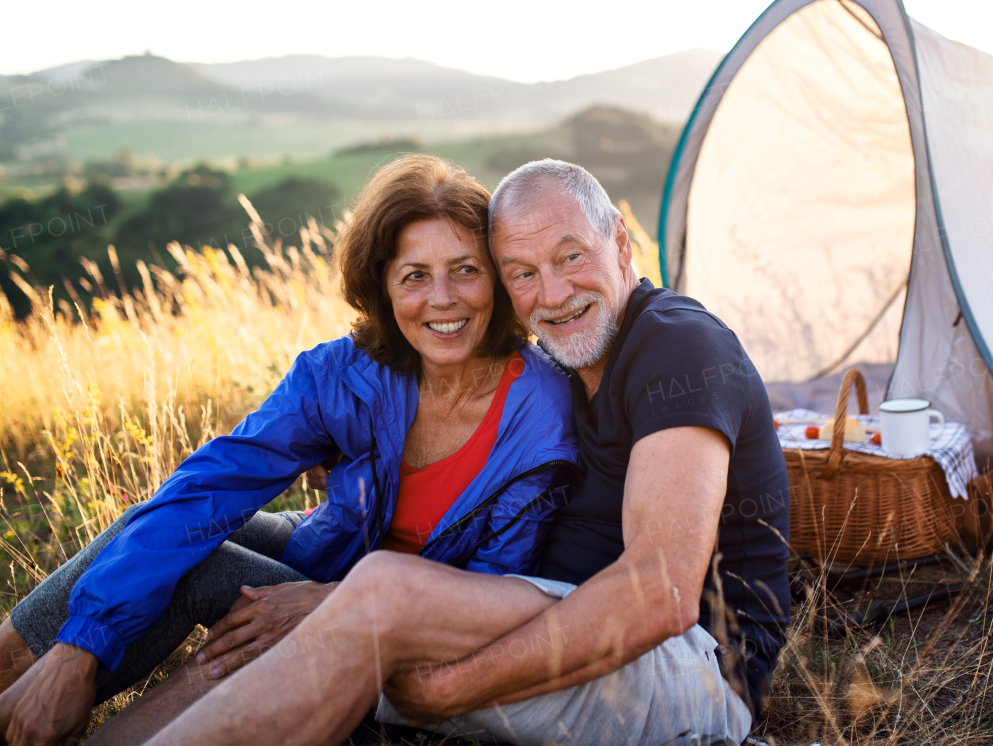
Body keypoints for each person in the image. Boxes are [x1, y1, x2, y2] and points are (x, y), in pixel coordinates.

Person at [143, 158, 791, 746]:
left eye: (571, 257)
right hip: (549, 610)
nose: (556, 293)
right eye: (523, 274)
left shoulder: (678, 345)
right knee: (267, 634)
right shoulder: (562, 365)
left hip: (694, 669)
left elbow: (661, 592)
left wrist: (449, 686)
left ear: (621, 244)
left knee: (377, 597)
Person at [0, 155, 577, 746]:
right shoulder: (349, 371)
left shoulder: (539, 416)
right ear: (381, 283)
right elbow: (210, 487)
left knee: (220, 575)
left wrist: (337, 605)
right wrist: (78, 647)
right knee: (170, 528)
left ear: (500, 278)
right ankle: (27, 686)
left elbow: (491, 596)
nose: (443, 299)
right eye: (414, 276)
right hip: (332, 549)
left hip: (412, 652)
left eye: (465, 270)